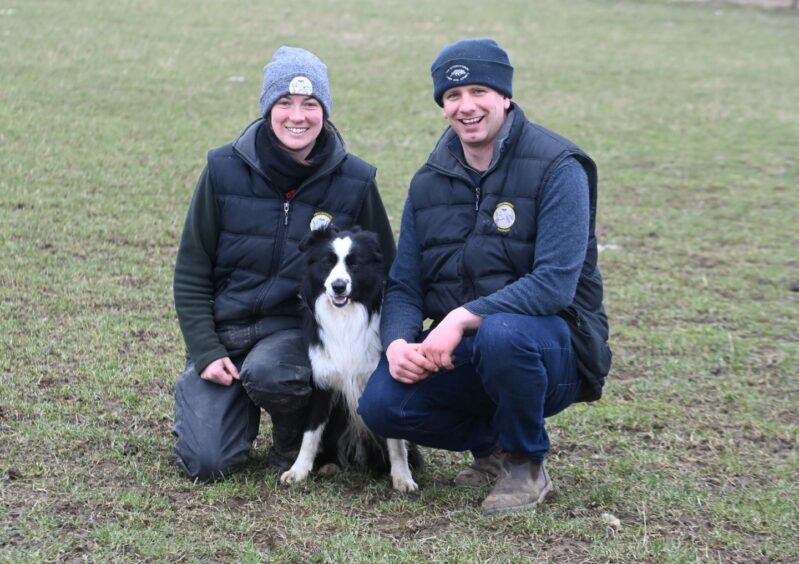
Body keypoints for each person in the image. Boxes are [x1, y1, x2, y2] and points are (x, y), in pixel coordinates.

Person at [358, 38, 611, 515]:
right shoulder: (428, 181)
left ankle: (526, 464)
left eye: (479, 91)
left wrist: (460, 318)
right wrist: (396, 345)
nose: (466, 106)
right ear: (442, 107)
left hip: (554, 348)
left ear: (504, 96)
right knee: (381, 407)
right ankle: (495, 445)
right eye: (452, 96)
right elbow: (407, 284)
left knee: (502, 332)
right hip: (469, 349)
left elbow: (555, 284)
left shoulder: (559, 166)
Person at [172, 46, 396, 481]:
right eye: (285, 103)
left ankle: (292, 443)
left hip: (292, 335)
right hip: (226, 332)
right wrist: (205, 350)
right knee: (207, 463)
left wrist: (396, 347)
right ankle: (218, 410)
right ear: (267, 109)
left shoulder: (355, 180)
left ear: (325, 112)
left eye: (310, 105)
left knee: (277, 372)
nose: (298, 116)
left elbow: (390, 270)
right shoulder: (222, 169)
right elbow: (191, 271)